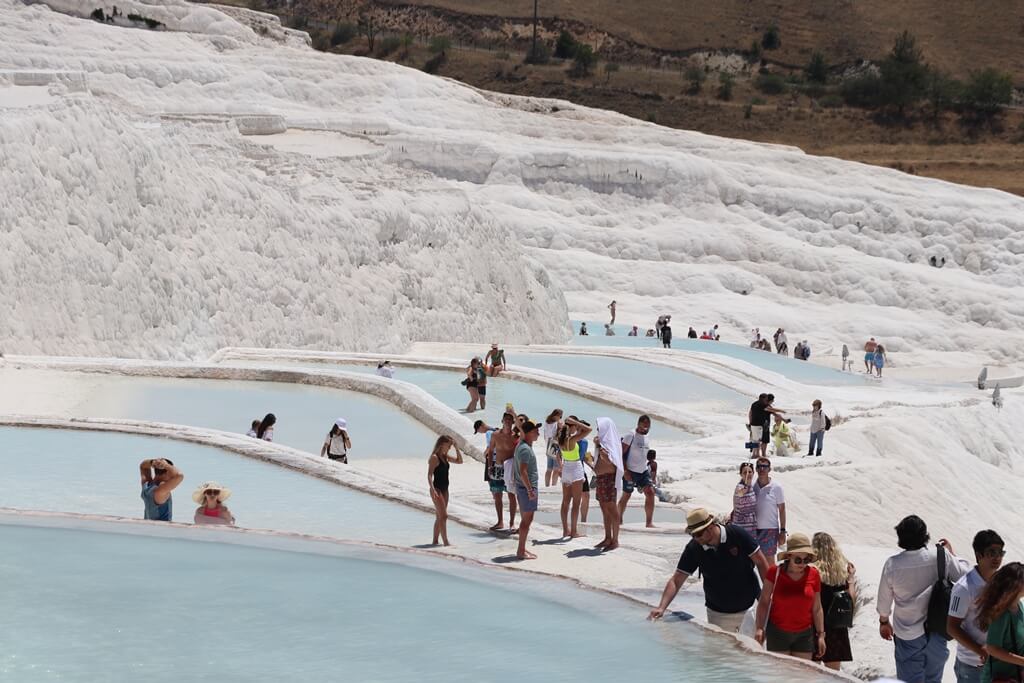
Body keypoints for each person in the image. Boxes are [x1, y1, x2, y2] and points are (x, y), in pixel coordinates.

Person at [877, 515, 971, 683]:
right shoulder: (940, 556)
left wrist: (884, 622)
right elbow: (965, 575)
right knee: (933, 679)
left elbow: (884, 602)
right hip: (937, 630)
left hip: (908, 634)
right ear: (924, 535)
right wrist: (952, 554)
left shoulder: (892, 564)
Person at [648, 508, 769, 634]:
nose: (696, 538)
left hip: (749, 608)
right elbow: (676, 580)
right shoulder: (694, 547)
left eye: (698, 534)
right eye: (692, 534)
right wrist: (661, 607)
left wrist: (767, 597)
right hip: (717, 613)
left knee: (749, 651)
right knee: (721, 652)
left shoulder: (737, 534)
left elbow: (761, 562)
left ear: (710, 527)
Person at [754, 533, 826, 661]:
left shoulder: (814, 574)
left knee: (801, 678)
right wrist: (759, 628)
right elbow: (764, 602)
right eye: (798, 560)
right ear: (789, 556)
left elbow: (817, 608)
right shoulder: (774, 572)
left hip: (805, 634)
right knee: (780, 678)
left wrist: (821, 635)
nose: (802, 564)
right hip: (777, 632)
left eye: (806, 560)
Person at [947, 530, 1005, 683]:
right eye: (992, 552)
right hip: (972, 665)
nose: (997, 557)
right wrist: (981, 651)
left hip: (996, 661)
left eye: (1000, 552)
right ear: (979, 555)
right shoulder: (964, 588)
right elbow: (952, 627)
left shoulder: (1000, 582)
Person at [813, 532, 857, 670]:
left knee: (810, 674)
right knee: (833, 675)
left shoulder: (812, 572)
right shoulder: (841, 573)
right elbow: (851, 598)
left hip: (814, 625)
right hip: (837, 627)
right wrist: (851, 578)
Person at [975, 562, 1024, 683]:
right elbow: (992, 649)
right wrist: (1022, 661)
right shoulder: (1001, 614)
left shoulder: (1018, 605)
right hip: (1002, 678)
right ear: (1015, 585)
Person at [557, 416, 592, 538]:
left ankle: (565, 530)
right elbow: (589, 430)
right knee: (576, 502)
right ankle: (573, 531)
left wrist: (570, 424)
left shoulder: (560, 440)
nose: (576, 428)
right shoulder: (572, 440)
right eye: (574, 427)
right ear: (570, 427)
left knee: (565, 501)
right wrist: (576, 422)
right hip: (576, 467)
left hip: (566, 467)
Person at [483, 412, 519, 532]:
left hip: (509, 469)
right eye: (506, 419)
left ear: (513, 422)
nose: (508, 421)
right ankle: (500, 521)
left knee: (511, 495)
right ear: (502, 421)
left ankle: (512, 523)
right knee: (497, 495)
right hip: (497, 467)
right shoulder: (495, 435)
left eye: (510, 419)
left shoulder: (515, 436)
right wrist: (489, 467)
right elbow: (490, 450)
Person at [618, 415, 655, 528]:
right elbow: (621, 453)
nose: (645, 429)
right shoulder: (630, 435)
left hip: (643, 471)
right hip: (630, 470)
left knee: (650, 493)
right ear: (638, 424)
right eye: (644, 426)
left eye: (648, 427)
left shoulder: (647, 436)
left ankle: (649, 522)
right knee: (627, 495)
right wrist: (625, 470)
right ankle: (618, 520)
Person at [427, 435, 464, 547]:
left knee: (439, 516)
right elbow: (429, 475)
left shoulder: (445, 457)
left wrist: (457, 449)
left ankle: (435, 541)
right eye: (449, 445)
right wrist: (432, 489)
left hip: (445, 489)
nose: (450, 448)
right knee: (444, 516)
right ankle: (446, 542)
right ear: (442, 444)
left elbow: (460, 461)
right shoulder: (434, 457)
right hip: (437, 489)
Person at [593, 417, 624, 551]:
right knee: (604, 510)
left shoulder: (611, 444)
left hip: (609, 480)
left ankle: (615, 540)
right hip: (600, 479)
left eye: (600, 429)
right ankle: (607, 537)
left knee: (612, 509)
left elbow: (611, 462)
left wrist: (599, 446)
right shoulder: (603, 444)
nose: (598, 431)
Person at [513, 420, 541, 560]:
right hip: (527, 487)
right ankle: (520, 550)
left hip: (522, 486)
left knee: (526, 519)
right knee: (526, 520)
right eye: (536, 431)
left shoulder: (522, 445)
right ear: (529, 433)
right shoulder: (524, 449)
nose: (538, 433)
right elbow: (523, 471)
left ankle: (522, 548)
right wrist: (530, 490)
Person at [753, 457, 786, 566]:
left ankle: (773, 583)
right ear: (756, 469)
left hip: (770, 529)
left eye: (765, 467)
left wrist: (782, 531)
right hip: (754, 530)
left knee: (769, 562)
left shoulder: (777, 487)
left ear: (769, 469)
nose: (762, 469)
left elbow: (782, 509)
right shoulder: (752, 487)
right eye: (759, 467)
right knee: (757, 562)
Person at [748, 393, 784, 458]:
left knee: (756, 440)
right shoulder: (763, 405)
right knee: (758, 440)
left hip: (757, 425)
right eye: (766, 399)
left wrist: (750, 422)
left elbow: (750, 413)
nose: (767, 400)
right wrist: (781, 411)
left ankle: (756, 454)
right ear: (762, 399)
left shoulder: (755, 404)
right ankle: (757, 454)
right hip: (760, 425)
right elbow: (773, 411)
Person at [730, 462, 758, 537]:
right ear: (741, 474)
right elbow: (740, 493)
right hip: (740, 527)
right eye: (745, 472)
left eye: (750, 472)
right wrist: (743, 490)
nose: (747, 474)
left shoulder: (753, 487)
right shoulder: (740, 486)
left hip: (752, 527)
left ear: (753, 473)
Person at [543, 409, 563, 487]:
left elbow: (546, 435)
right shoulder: (557, 423)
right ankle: (553, 485)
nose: (560, 417)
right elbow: (557, 436)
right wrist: (560, 428)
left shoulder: (547, 422)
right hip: (556, 446)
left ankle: (547, 485)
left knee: (549, 468)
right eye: (560, 416)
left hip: (549, 445)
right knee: (556, 469)